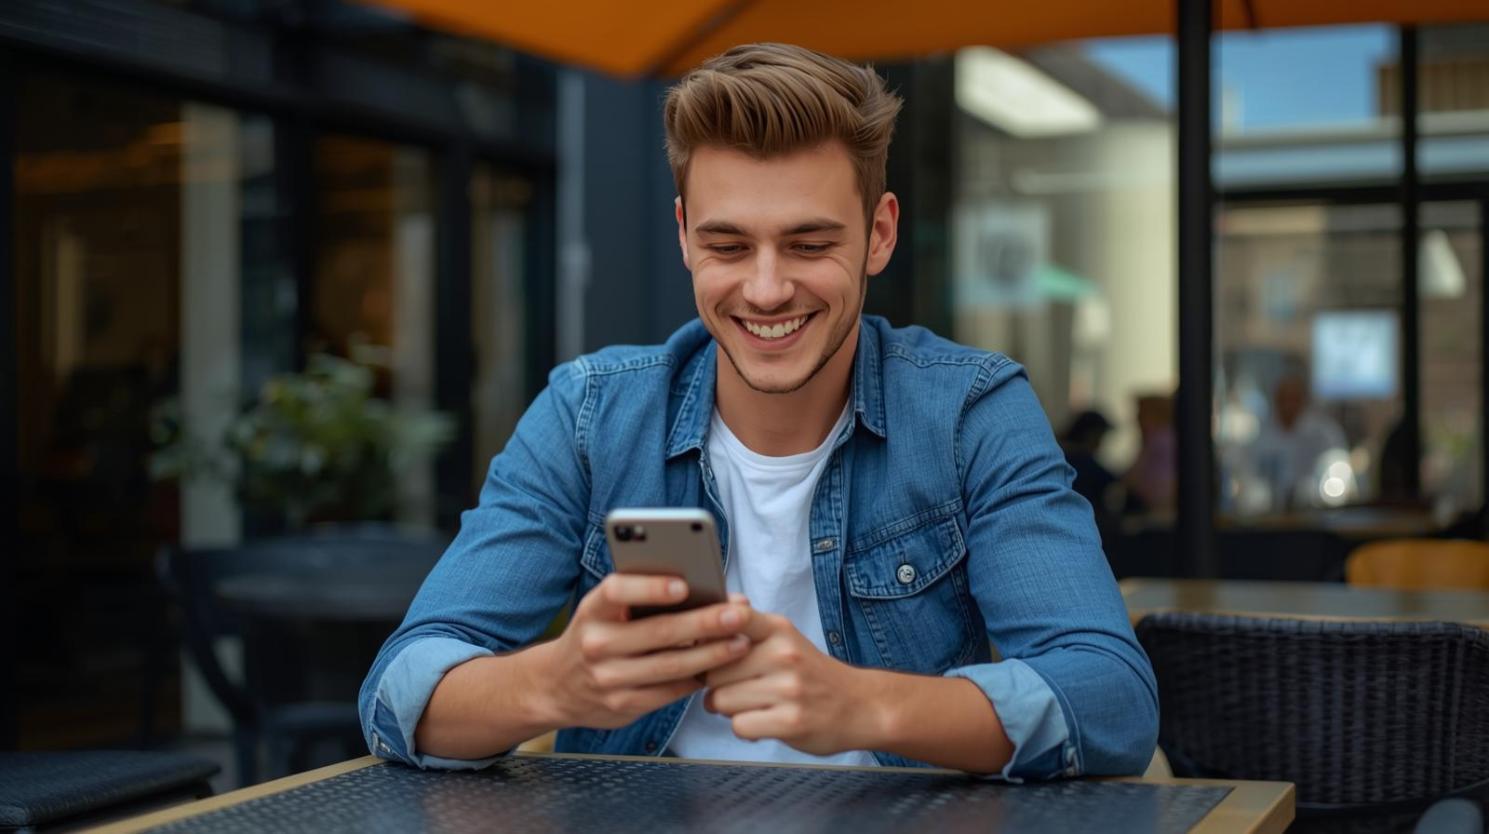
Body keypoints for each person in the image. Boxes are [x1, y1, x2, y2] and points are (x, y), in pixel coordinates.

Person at [359, 43, 1156, 779]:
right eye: (728, 247)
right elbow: (398, 694)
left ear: (878, 235)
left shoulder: (968, 411)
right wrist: (555, 683)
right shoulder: (589, 415)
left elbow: (1111, 704)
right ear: (681, 236)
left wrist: (862, 706)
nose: (767, 289)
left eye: (809, 245)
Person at [1242, 373, 1349, 512]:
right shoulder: (1262, 436)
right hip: (1270, 514)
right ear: (1275, 401)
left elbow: (1338, 473)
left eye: (1293, 399)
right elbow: (1250, 476)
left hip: (1317, 513)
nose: (1288, 405)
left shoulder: (1325, 434)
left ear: (1303, 400)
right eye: (1283, 399)